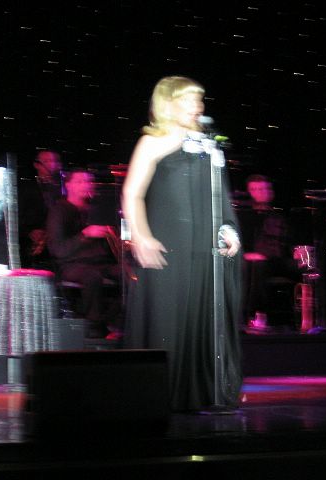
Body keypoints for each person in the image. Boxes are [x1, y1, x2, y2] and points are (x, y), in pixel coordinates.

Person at [122, 76, 243, 412]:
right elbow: (132, 193)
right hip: (169, 243)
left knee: (200, 314)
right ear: (168, 103)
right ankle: (158, 395)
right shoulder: (153, 141)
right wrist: (141, 235)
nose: (197, 107)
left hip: (203, 246)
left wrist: (229, 230)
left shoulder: (208, 145)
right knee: (168, 317)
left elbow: (221, 197)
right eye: (188, 100)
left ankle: (201, 391)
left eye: (199, 100)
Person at [46, 169, 122, 339]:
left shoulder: (96, 210)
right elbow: (58, 249)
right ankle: (94, 327)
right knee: (92, 276)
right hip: (73, 264)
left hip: (102, 262)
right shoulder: (59, 211)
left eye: (88, 181)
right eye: (80, 181)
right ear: (68, 185)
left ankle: (113, 321)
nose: (86, 185)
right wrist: (85, 235)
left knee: (129, 274)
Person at [237, 174, 298, 332]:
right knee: (244, 266)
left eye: (263, 189)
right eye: (255, 189)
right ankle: (240, 316)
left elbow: (280, 246)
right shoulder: (243, 216)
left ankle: (258, 315)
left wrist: (261, 255)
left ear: (270, 191)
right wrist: (244, 255)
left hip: (276, 261)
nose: (260, 193)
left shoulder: (278, 217)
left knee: (258, 265)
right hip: (251, 260)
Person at [19, 150, 63, 269]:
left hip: (57, 242)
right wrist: (29, 231)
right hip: (35, 243)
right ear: (37, 165)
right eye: (47, 161)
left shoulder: (62, 187)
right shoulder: (27, 188)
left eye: (54, 161)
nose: (52, 165)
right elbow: (18, 214)